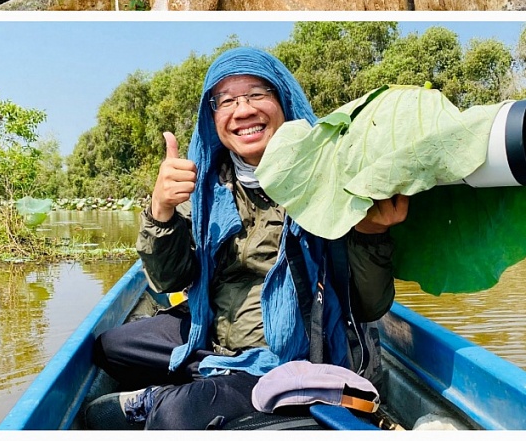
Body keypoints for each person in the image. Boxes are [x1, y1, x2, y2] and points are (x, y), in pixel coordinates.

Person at [86, 47, 409, 430]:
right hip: (215, 329)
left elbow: (369, 307)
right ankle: (225, 378)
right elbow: (170, 280)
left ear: (283, 100)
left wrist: (372, 234)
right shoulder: (209, 183)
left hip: (295, 349)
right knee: (111, 348)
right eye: (227, 101)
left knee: (173, 415)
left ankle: (199, 394)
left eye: (257, 94)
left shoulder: (331, 177)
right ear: (214, 118)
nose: (243, 111)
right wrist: (162, 213)